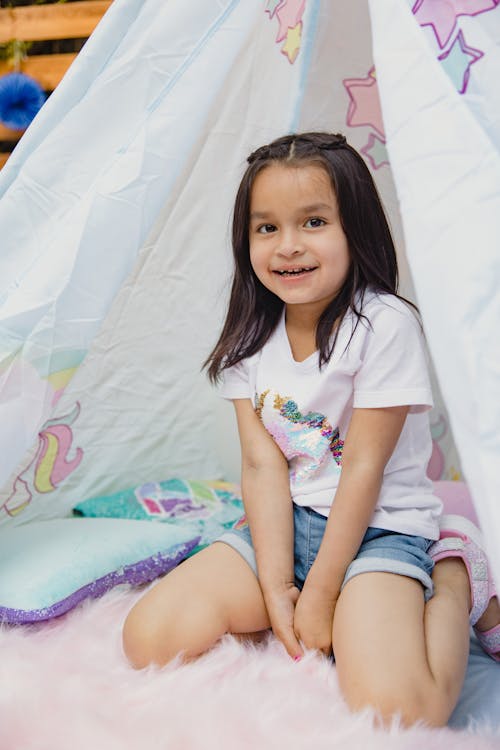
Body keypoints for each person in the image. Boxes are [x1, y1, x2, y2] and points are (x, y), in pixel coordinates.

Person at [122, 132, 500, 726]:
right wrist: (278, 590)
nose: (287, 246)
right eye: (266, 227)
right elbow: (262, 464)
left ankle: (454, 574)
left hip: (377, 527)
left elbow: (365, 469)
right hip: (288, 526)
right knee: (150, 638)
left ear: (356, 228)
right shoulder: (251, 337)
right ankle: (333, 605)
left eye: (314, 221)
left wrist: (321, 594)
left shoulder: (383, 325)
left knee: (403, 709)